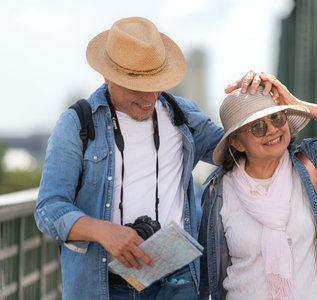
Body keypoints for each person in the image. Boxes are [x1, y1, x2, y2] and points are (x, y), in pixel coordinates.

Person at [34, 16, 268, 300]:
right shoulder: (76, 124)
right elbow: (48, 209)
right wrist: (105, 233)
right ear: (108, 76)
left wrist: (262, 104)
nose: (149, 97)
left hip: (178, 281)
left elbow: (245, 148)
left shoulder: (184, 116)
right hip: (104, 287)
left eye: (156, 83)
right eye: (136, 86)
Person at [199, 74, 317, 300]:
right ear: (236, 142)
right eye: (258, 126)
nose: (273, 130)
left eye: (277, 117)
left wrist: (296, 104)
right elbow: (208, 271)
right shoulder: (219, 192)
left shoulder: (311, 163)